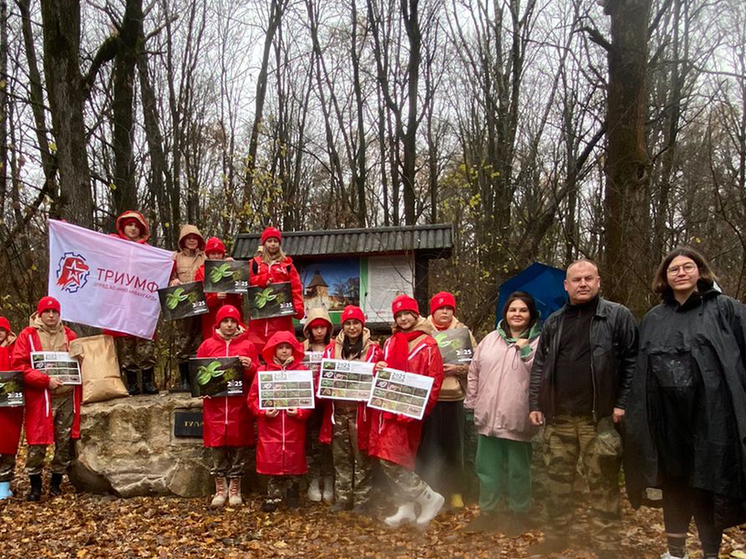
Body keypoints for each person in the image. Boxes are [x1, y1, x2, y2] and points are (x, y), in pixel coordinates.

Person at [625, 247, 746, 559]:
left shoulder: (726, 310)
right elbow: (641, 369)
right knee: (674, 484)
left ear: (700, 271)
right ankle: (675, 551)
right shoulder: (654, 317)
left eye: (687, 266)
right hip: (667, 419)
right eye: (673, 269)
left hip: (711, 416)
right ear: (664, 277)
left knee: (707, 483)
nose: (680, 272)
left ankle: (709, 553)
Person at [527, 259, 637, 559]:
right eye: (576, 279)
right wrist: (535, 402)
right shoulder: (554, 322)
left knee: (602, 484)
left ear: (599, 281)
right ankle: (556, 536)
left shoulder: (617, 316)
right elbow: (540, 366)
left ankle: (606, 544)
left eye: (589, 278)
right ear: (567, 285)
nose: (583, 284)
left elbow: (632, 363)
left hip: (597, 419)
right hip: (559, 418)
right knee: (557, 484)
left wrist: (621, 403)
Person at [463, 291, 540, 535]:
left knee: (519, 471)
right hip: (487, 417)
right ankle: (488, 512)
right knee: (487, 468)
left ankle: (519, 513)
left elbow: (543, 375)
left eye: (523, 310)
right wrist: (470, 404)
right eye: (512, 310)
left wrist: (526, 351)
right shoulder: (489, 340)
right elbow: (474, 373)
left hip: (518, 416)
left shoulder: (540, 341)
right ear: (505, 314)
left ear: (531, 314)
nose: (517, 314)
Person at [369, 294, 445, 529]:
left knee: (394, 459)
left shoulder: (428, 343)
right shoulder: (391, 342)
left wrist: (421, 410)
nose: (403, 319)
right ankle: (406, 506)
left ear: (415, 315)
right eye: (398, 315)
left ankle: (428, 497)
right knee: (390, 457)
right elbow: (383, 370)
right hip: (387, 410)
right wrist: (377, 366)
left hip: (409, 412)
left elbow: (435, 379)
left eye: (406, 314)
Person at [12, 296, 81, 501]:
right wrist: (44, 380)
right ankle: (35, 486)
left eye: (55, 312)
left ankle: (56, 483)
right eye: (47, 312)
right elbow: (19, 366)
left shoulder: (70, 334)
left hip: (67, 396)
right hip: (41, 397)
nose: (51, 315)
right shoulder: (28, 335)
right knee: (38, 441)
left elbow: (80, 364)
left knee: (64, 440)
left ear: (60, 314)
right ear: (40, 314)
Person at [418, 291, 477, 510]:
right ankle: (432, 491)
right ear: (433, 311)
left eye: (449, 308)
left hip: (454, 397)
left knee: (455, 447)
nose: (445, 312)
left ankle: (456, 491)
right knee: (429, 447)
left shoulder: (463, 333)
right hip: (428, 399)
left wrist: (459, 368)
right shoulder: (423, 332)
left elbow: (477, 363)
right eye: (440, 308)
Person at [195, 305, 258, 508]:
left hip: (239, 405)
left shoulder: (248, 346)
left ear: (238, 323)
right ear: (218, 323)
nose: (229, 325)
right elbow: (199, 373)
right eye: (225, 321)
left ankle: (235, 487)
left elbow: (256, 375)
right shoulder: (207, 345)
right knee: (217, 449)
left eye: (233, 321)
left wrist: (250, 367)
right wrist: (202, 388)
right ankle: (220, 487)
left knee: (239, 447)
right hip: (215, 406)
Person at [321, 305, 381, 514]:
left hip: (360, 412)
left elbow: (379, 376)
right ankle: (343, 497)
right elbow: (325, 375)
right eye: (348, 323)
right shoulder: (331, 349)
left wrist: (378, 369)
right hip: (338, 411)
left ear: (362, 325)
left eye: (356, 323)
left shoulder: (374, 349)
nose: (352, 327)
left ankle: (362, 500)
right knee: (340, 456)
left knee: (361, 456)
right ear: (343, 326)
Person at [248, 331, 313, 512]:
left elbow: (309, 400)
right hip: (270, 426)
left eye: (287, 347)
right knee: (272, 461)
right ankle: (273, 495)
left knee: (294, 459)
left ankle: (293, 493)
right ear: (273, 350)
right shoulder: (263, 371)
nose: (284, 351)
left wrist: (300, 412)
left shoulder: (302, 371)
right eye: (280, 348)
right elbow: (252, 399)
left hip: (294, 426)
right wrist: (263, 412)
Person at [105, 210, 158, 395]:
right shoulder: (113, 245)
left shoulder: (149, 251)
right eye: (130, 225)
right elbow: (93, 248)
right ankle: (132, 383)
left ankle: (148, 380)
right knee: (126, 345)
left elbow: (162, 268)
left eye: (137, 226)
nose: (133, 228)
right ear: (123, 227)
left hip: (143, 304)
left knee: (146, 343)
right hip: (122, 303)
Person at [247, 227, 304, 352]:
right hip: (259, 318)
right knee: (257, 351)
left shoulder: (287, 265)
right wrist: (261, 280)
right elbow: (248, 281)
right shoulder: (255, 263)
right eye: (269, 241)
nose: (272, 244)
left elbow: (295, 288)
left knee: (280, 347)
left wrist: (297, 307)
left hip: (281, 318)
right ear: (264, 243)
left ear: (279, 244)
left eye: (275, 241)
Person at [302, 307, 335, 504]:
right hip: (309, 403)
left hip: (330, 403)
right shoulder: (301, 349)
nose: (319, 331)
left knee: (330, 443)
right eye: (315, 328)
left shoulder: (336, 348)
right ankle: (314, 480)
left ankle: (329, 480)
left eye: (323, 327)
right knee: (311, 443)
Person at [170, 224, 207, 391]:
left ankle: (195, 378)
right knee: (182, 341)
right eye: (188, 238)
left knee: (198, 341)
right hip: (182, 306)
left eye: (195, 238)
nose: (192, 240)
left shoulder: (205, 258)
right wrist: (172, 281)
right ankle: (183, 379)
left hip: (201, 305)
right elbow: (167, 276)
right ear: (182, 241)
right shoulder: (175, 258)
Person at [194, 237, 244, 343]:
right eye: (213, 253)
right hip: (211, 317)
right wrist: (215, 297)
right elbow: (199, 299)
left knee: (236, 343)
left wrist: (235, 268)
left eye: (218, 253)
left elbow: (240, 293)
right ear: (207, 255)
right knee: (214, 345)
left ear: (223, 254)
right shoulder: (201, 271)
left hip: (232, 313)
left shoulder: (229, 267)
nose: (216, 256)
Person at [0, 316, 19, 499]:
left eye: (1, 330)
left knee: (7, 446)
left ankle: (4, 485)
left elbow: (20, 369)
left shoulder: (16, 348)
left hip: (10, 408)